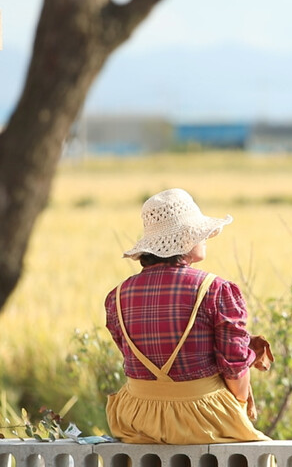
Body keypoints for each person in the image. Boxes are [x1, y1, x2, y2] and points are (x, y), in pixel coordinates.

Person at [104, 188, 270, 444]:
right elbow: (235, 371)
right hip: (202, 419)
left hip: (137, 419)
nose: (204, 238)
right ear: (185, 240)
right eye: (199, 233)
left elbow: (131, 355)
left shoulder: (117, 296)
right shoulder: (216, 290)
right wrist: (238, 410)